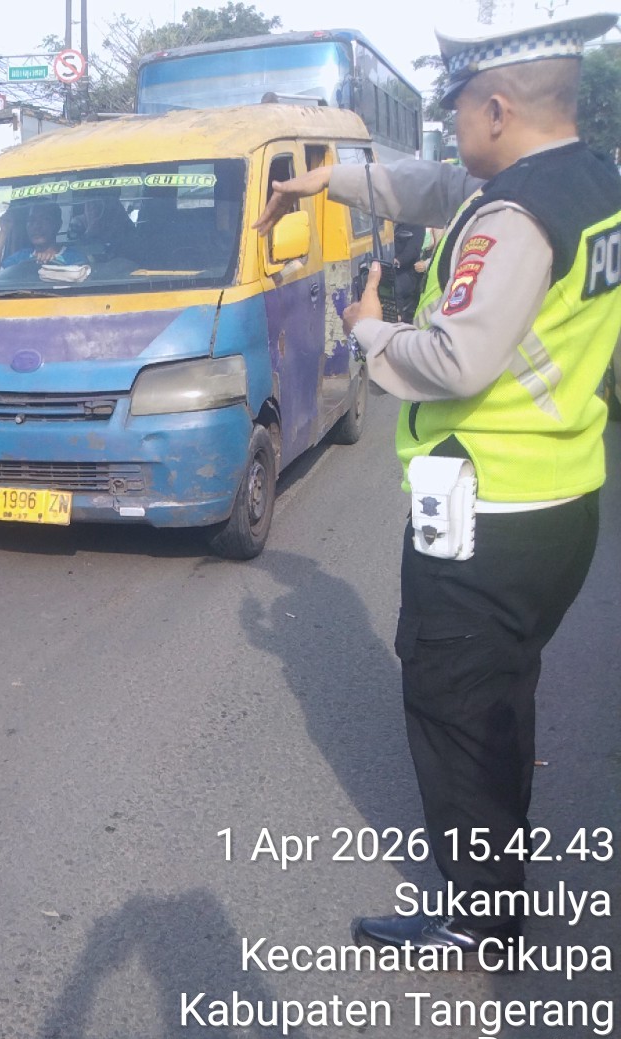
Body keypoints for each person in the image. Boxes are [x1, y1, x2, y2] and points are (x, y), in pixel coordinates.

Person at [254, 13, 621, 960]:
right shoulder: (588, 182)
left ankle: (480, 919)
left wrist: (372, 331)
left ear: (496, 106)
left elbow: (455, 359)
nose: (452, 125)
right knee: (502, 691)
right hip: (561, 498)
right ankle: (502, 877)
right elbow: (431, 187)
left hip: (486, 514)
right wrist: (321, 178)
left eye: (457, 106)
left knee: (454, 708)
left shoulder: (514, 218)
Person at [0, 201, 86, 280]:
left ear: (58, 224)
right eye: (31, 220)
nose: (37, 226)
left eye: (45, 219)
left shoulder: (75, 259)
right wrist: (3, 232)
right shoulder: (19, 258)